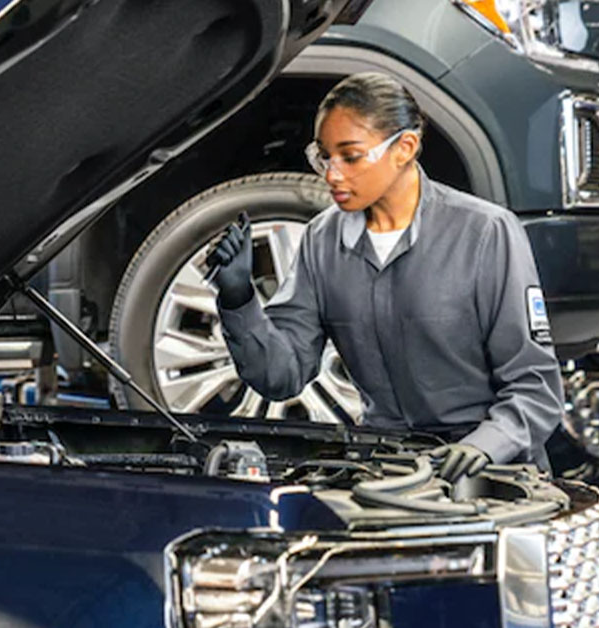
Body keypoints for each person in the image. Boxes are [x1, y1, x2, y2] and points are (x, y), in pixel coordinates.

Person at [205, 72, 564, 481]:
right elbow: (282, 376)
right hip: (387, 476)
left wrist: (485, 445)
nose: (332, 174)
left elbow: (535, 388)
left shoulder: (486, 233)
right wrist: (238, 299)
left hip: (493, 479)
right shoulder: (322, 241)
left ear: (405, 147)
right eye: (323, 156)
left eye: (351, 156)